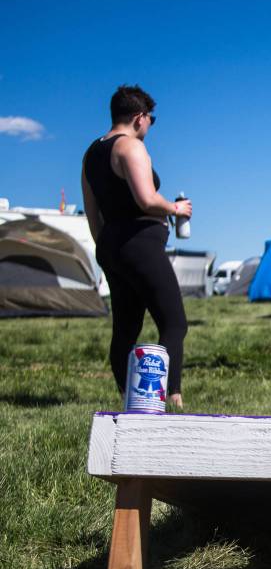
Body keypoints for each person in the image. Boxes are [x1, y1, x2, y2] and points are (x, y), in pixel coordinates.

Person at [81, 85, 192, 409]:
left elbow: (92, 210)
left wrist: (105, 245)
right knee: (174, 322)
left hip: (111, 244)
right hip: (139, 242)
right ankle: (171, 397)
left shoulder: (92, 153)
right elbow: (146, 199)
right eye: (150, 119)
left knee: (126, 327)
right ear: (140, 117)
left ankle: (127, 396)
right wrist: (176, 209)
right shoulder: (130, 147)